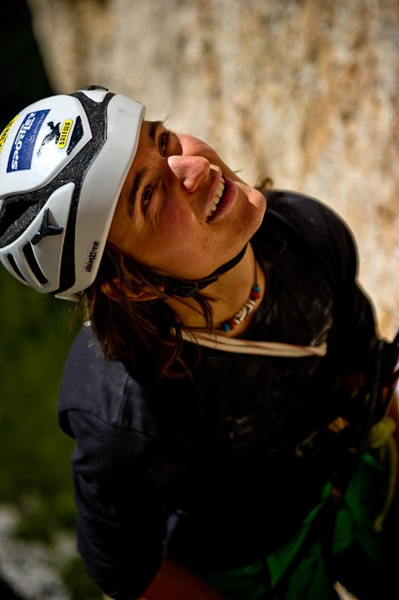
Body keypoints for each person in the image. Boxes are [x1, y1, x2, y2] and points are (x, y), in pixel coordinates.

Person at [0, 85, 398, 600]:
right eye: (148, 194)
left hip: (345, 471)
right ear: (132, 285)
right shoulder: (125, 414)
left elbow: (362, 368)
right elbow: (125, 567)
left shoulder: (304, 231)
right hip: (246, 565)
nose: (191, 166)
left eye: (161, 139)